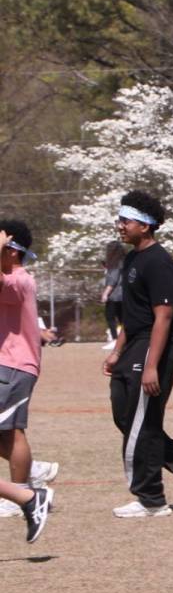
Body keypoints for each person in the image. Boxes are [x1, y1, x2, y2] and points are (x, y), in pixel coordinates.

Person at [104, 191, 173, 517]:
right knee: (126, 415)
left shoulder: (159, 262)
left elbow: (163, 317)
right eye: (120, 220)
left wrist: (152, 364)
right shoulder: (131, 259)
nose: (120, 225)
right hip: (137, 341)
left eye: (126, 221)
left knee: (141, 418)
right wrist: (117, 351)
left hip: (162, 342)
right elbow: (132, 315)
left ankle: (150, 500)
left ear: (145, 225)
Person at [1, 222, 53, 542]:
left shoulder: (19, 280)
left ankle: (22, 495)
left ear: (11, 250)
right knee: (5, 434)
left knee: (12, 431)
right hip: (7, 366)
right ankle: (32, 478)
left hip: (14, 367)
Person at [100, 243, 126, 351]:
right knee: (122, 318)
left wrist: (105, 293)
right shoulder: (125, 262)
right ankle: (124, 340)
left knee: (110, 317)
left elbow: (113, 281)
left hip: (115, 295)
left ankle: (115, 339)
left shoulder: (115, 264)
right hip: (124, 295)